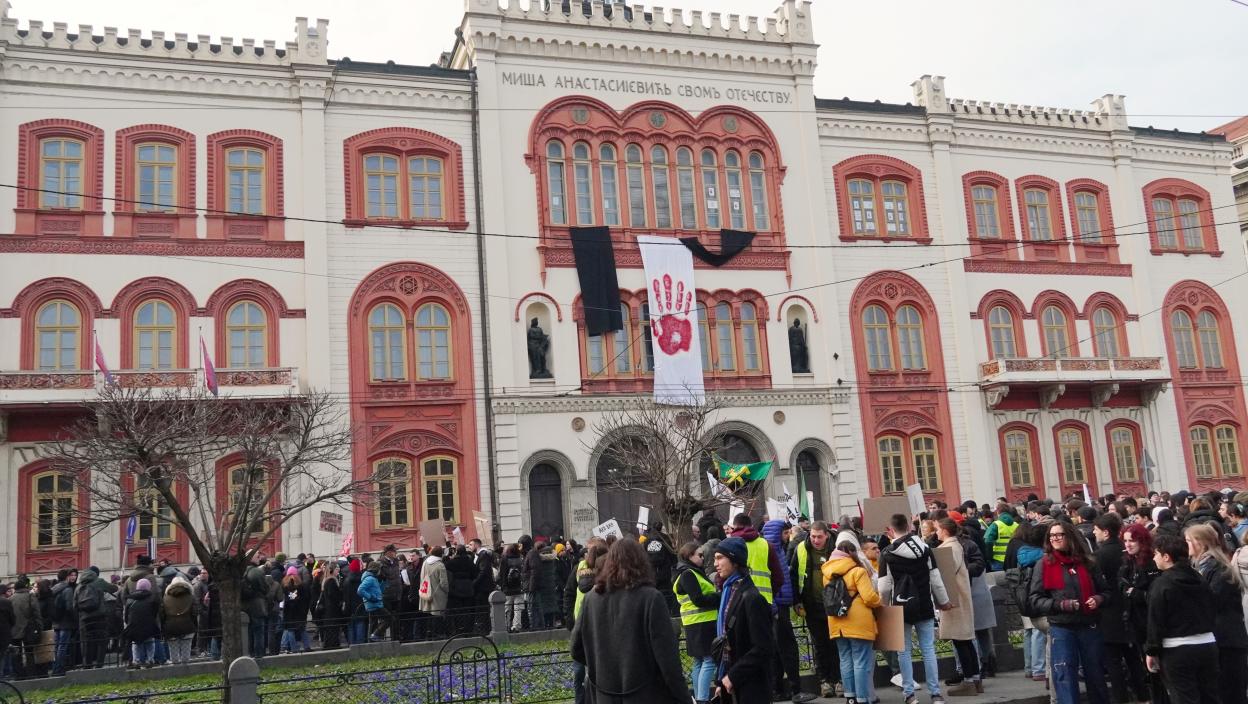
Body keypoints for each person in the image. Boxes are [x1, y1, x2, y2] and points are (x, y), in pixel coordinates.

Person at [570, 537, 689, 703]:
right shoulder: (651, 598)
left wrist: (602, 668)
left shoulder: (591, 598)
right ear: (642, 562)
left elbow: (576, 648)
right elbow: (668, 659)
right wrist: (683, 697)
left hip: (604, 694)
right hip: (646, 693)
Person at [1027, 521, 1111, 704]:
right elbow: (1034, 599)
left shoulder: (1088, 562)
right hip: (1062, 627)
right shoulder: (1044, 564)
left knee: (1096, 674)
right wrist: (1060, 604)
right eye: (1052, 536)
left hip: (1089, 624)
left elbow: (1106, 592)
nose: (1055, 539)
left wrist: (1099, 599)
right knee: (1064, 674)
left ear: (1070, 537)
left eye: (1059, 535)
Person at [879, 513, 951, 704]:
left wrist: (884, 606)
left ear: (892, 529)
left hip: (899, 606)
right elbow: (936, 580)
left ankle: (909, 694)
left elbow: (885, 587)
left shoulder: (886, 553)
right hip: (924, 604)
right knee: (928, 649)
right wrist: (943, 601)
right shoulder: (925, 550)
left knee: (903, 651)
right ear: (910, 526)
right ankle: (936, 694)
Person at [1146, 534, 1220, 704]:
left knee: (1184, 698)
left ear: (1166, 556)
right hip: (1207, 644)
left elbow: (1155, 620)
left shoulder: (1161, 584)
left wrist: (1151, 650)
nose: (1154, 557)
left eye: (1156, 553)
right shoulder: (1200, 579)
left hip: (1176, 648)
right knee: (1210, 697)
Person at [1186, 523, 1247, 704]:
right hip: (1216, 637)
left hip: (1227, 640)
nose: (1186, 544)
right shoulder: (1202, 566)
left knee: (1230, 691)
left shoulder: (1218, 568)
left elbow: (1210, 601)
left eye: (1189, 541)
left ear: (1201, 543)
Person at [711, 537, 776, 704]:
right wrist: (722, 680)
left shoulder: (752, 598)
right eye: (714, 558)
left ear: (735, 561)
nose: (715, 564)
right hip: (733, 685)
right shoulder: (729, 591)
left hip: (752, 687)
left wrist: (732, 676)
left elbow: (763, 647)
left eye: (720, 558)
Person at [1092, 514, 1146, 704]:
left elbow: (1096, 583)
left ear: (1105, 532)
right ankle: (1143, 697)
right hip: (1130, 609)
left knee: (1113, 661)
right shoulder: (1126, 552)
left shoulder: (1099, 555)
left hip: (1109, 612)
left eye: (1096, 530)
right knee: (1134, 659)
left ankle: (1121, 698)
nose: (1093, 532)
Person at [823, 539, 882, 704]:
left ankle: (850, 697)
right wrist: (880, 601)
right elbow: (869, 597)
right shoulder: (858, 571)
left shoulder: (827, 573)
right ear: (851, 553)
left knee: (845, 659)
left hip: (836, 621)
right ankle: (863, 698)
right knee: (861, 660)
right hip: (858, 621)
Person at [762, 519, 814, 703]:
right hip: (777, 607)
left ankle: (777, 690)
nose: (788, 536)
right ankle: (795, 690)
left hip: (778, 605)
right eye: (785, 533)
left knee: (777, 650)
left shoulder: (776, 551)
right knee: (787, 648)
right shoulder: (772, 552)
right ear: (777, 534)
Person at [790, 520, 841, 698]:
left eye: (819, 537)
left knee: (836, 643)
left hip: (835, 604)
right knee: (819, 644)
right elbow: (794, 575)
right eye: (813, 536)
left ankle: (838, 680)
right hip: (812, 604)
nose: (816, 540)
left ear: (826, 535)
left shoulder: (837, 548)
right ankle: (824, 681)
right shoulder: (802, 549)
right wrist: (796, 601)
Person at [934, 519, 982, 696]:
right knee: (966, 640)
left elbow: (945, 574)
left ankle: (969, 681)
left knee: (960, 640)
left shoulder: (947, 548)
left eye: (938, 529)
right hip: (961, 597)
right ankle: (975, 679)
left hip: (954, 600)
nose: (936, 532)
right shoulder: (957, 545)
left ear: (945, 530)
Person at [1119, 522, 1163, 704]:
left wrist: (1133, 592)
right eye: (1125, 541)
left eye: (1132, 541)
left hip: (1150, 624)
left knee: (1157, 670)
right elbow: (1121, 585)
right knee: (1148, 670)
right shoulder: (1128, 562)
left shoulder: (1151, 562)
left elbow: (1155, 595)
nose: (1127, 544)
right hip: (1135, 623)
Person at [673, 541, 720, 704]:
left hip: (695, 623)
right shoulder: (688, 574)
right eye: (699, 555)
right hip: (702, 623)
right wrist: (718, 597)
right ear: (689, 555)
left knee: (699, 661)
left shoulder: (686, 572)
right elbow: (698, 599)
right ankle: (702, 699)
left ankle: (700, 698)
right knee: (709, 660)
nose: (702, 557)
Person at [159, 576, 197, 665]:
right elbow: (195, 612)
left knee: (174, 655)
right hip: (188, 626)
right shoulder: (191, 596)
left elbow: (161, 614)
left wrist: (164, 625)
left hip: (171, 627)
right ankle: (186, 672)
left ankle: (175, 671)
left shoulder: (165, 598)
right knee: (186, 654)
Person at [123, 578, 159, 669]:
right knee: (150, 643)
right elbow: (155, 613)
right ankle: (150, 660)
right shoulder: (152, 599)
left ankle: (136, 661)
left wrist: (129, 623)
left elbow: (126, 615)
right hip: (149, 626)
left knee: (136, 644)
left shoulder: (130, 599)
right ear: (148, 587)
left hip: (134, 626)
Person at [418, 546, 449, 639]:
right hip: (437, 594)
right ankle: (438, 634)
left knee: (428, 614)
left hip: (426, 591)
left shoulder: (425, 563)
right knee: (437, 614)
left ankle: (429, 633)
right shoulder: (440, 565)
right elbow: (444, 583)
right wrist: (447, 591)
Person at [279, 567, 310, 653]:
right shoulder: (301, 585)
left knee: (290, 630)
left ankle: (294, 649)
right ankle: (307, 646)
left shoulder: (284, 585)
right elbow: (305, 599)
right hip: (300, 611)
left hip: (289, 611)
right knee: (302, 629)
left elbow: (284, 599)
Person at [498, 543, 526, 633]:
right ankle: (516, 626)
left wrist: (503, 586)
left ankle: (507, 626)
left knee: (507, 608)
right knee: (518, 609)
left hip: (508, 589)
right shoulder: (520, 558)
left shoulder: (505, 559)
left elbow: (502, 574)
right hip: (519, 588)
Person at [358, 561, 388, 641]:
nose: (380, 571)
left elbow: (379, 591)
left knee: (373, 624)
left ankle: (372, 640)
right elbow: (360, 590)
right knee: (389, 619)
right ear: (375, 569)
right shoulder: (370, 579)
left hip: (375, 604)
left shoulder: (373, 578)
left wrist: (383, 582)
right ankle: (376, 635)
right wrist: (371, 597)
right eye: (379, 569)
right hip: (374, 604)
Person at [317, 562, 345, 649]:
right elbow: (333, 595)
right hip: (332, 610)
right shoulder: (331, 581)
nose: (338, 571)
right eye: (337, 569)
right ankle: (332, 647)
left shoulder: (326, 580)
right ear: (332, 570)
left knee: (330, 631)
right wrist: (340, 595)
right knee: (333, 630)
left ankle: (330, 646)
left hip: (329, 610)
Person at [984, 504, 1018, 572]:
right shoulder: (1016, 525)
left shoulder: (996, 524)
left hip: (998, 561)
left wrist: (989, 557)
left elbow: (988, 541)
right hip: (1013, 560)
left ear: (998, 512)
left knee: (999, 581)